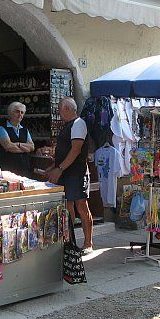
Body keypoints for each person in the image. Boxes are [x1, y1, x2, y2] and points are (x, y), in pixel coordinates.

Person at [48, 97, 94, 253]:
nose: (58, 113)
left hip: (76, 173)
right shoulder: (68, 126)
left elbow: (76, 149)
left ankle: (88, 243)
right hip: (67, 172)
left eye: (60, 109)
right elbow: (67, 150)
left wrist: (59, 168)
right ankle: (69, 240)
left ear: (68, 109)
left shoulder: (78, 124)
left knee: (81, 206)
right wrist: (54, 167)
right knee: (67, 207)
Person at [0, 101, 35, 174]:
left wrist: (18, 144)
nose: (20, 114)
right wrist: (26, 149)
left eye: (22, 112)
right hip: (8, 170)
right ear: (10, 113)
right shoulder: (2, 128)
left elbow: (32, 147)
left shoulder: (24, 130)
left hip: (25, 170)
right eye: (17, 112)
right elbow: (9, 147)